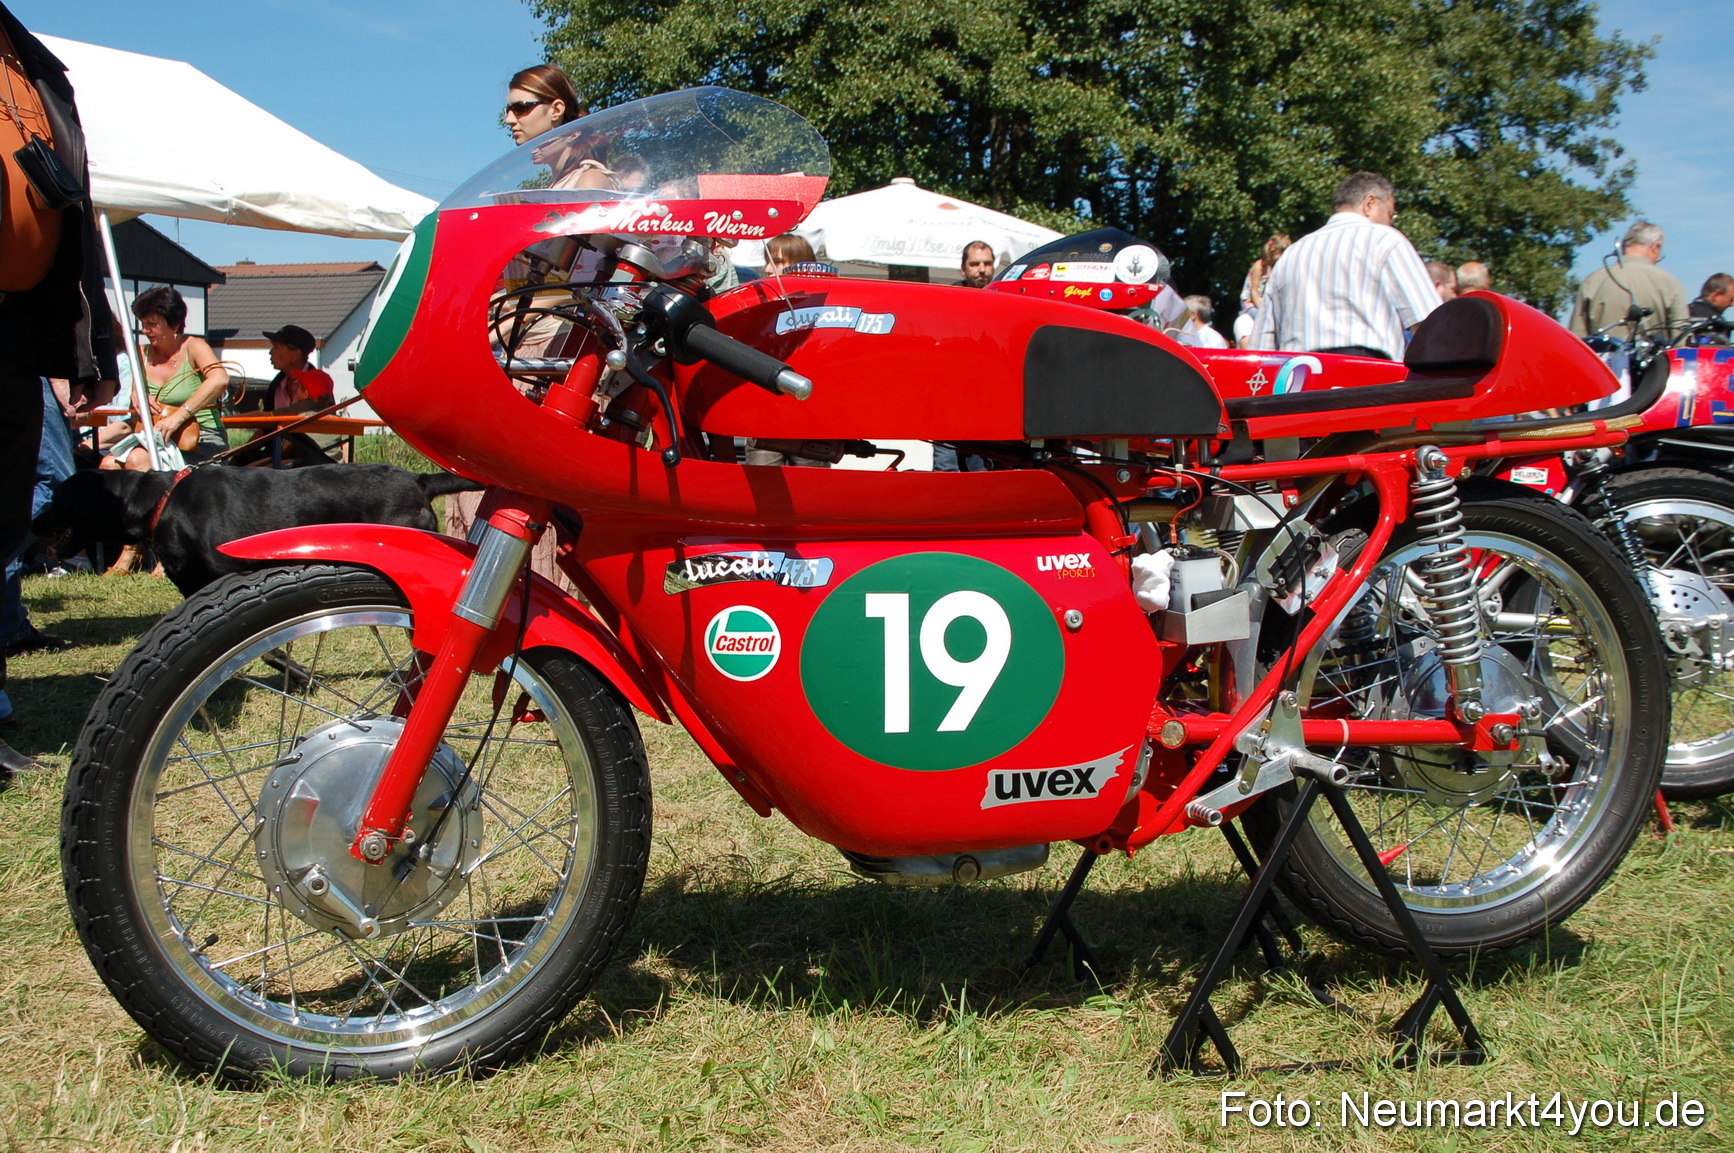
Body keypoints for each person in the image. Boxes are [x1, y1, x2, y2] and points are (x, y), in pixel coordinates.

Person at [0, 1, 119, 780]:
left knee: (5, 515)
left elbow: (71, 210)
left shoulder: (31, 61)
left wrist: (92, 344)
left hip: (12, 327)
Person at [1252, 171, 1439, 360]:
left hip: (1296, 378)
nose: (1391, 221)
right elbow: (1430, 326)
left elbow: (1261, 345)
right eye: (1391, 214)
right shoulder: (1385, 239)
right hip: (1368, 375)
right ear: (1370, 203)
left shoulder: (1290, 255)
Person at [101, 286, 229, 471]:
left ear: (175, 325)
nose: (145, 330)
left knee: (138, 459)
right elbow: (133, 403)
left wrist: (179, 417)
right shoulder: (140, 354)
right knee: (107, 465)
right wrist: (137, 394)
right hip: (155, 438)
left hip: (199, 438)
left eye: (152, 324)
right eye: (142, 323)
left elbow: (220, 379)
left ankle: (159, 500)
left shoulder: (194, 346)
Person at [227, 325, 338, 467]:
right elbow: (265, 427)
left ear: (295, 355)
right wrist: (239, 454)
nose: (270, 352)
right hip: (279, 455)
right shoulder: (276, 385)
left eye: (276, 347)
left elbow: (267, 419)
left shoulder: (317, 385)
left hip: (305, 459)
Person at [1568, 221, 1690, 342]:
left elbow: (1576, 339)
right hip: (1655, 360)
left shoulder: (1593, 281)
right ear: (1655, 247)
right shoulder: (1670, 284)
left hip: (1599, 360)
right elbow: (1681, 343)